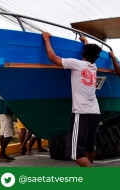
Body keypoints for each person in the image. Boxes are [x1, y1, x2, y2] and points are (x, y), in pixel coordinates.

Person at [42, 32, 102, 167]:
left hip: (82, 113)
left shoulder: (76, 64)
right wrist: (86, 41)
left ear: (83, 53)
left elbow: (53, 58)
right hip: (95, 112)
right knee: (89, 148)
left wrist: (46, 39)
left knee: (76, 154)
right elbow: (91, 54)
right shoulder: (94, 67)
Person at [0, 97, 15, 163]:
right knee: (8, 134)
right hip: (6, 111)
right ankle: (1, 155)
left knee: (3, 133)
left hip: (1, 110)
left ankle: (3, 154)